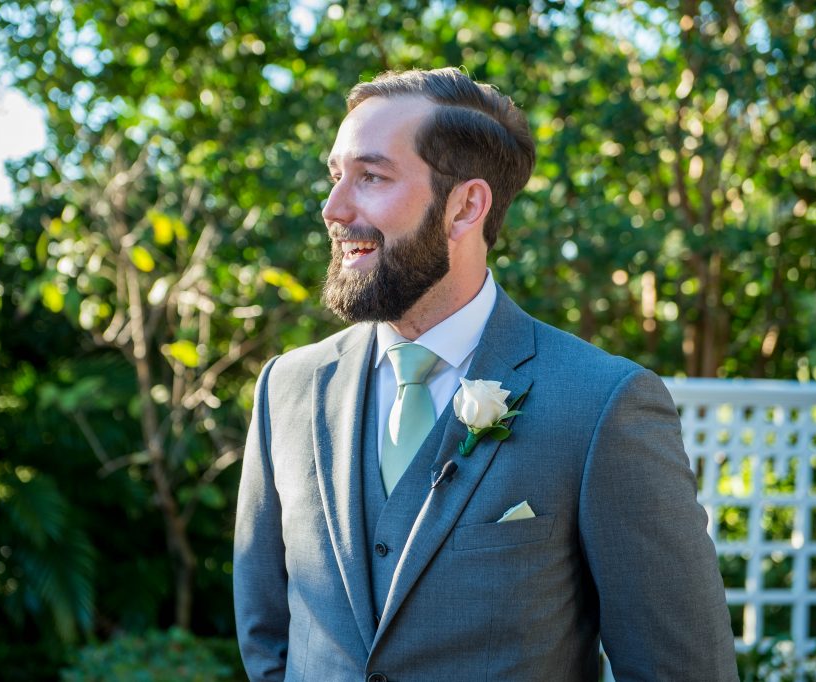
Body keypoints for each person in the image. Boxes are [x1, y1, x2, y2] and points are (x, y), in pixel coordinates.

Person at [233, 67, 738, 681]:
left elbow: (680, 670)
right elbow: (268, 644)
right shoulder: (287, 388)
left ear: (466, 205)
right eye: (336, 175)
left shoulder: (602, 405)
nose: (333, 208)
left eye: (370, 176)